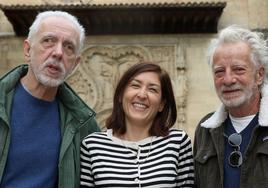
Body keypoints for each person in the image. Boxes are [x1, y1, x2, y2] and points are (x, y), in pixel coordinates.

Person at [0, 11, 100, 188]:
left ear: (75, 64)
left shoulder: (84, 125)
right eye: (48, 41)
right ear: (28, 49)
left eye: (69, 46)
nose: (58, 53)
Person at [80, 62, 195, 187]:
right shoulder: (92, 145)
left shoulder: (178, 143)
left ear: (161, 104)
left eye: (152, 89)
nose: (142, 95)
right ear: (120, 95)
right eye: (135, 86)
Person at [193, 25, 268, 188]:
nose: (228, 80)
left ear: (259, 75)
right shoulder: (205, 130)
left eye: (238, 69)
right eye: (219, 72)